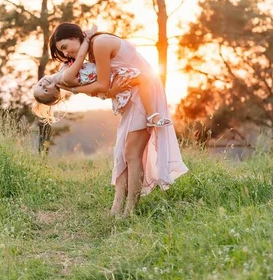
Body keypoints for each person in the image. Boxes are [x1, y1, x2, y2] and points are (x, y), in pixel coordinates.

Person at [48, 23, 188, 217]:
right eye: (62, 53)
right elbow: (105, 89)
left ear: (76, 36)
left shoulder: (100, 43)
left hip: (142, 90)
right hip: (131, 94)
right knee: (121, 152)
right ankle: (117, 207)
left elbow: (103, 85)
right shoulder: (91, 51)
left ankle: (130, 210)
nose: (67, 54)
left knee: (131, 153)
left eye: (65, 47)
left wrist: (74, 90)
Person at [34, 28, 173, 124]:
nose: (44, 84)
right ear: (55, 94)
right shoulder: (65, 78)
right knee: (145, 79)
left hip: (108, 79)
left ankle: (152, 114)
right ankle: (152, 115)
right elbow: (81, 58)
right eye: (45, 90)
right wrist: (86, 40)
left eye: (39, 84)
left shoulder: (62, 71)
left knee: (145, 79)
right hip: (111, 80)